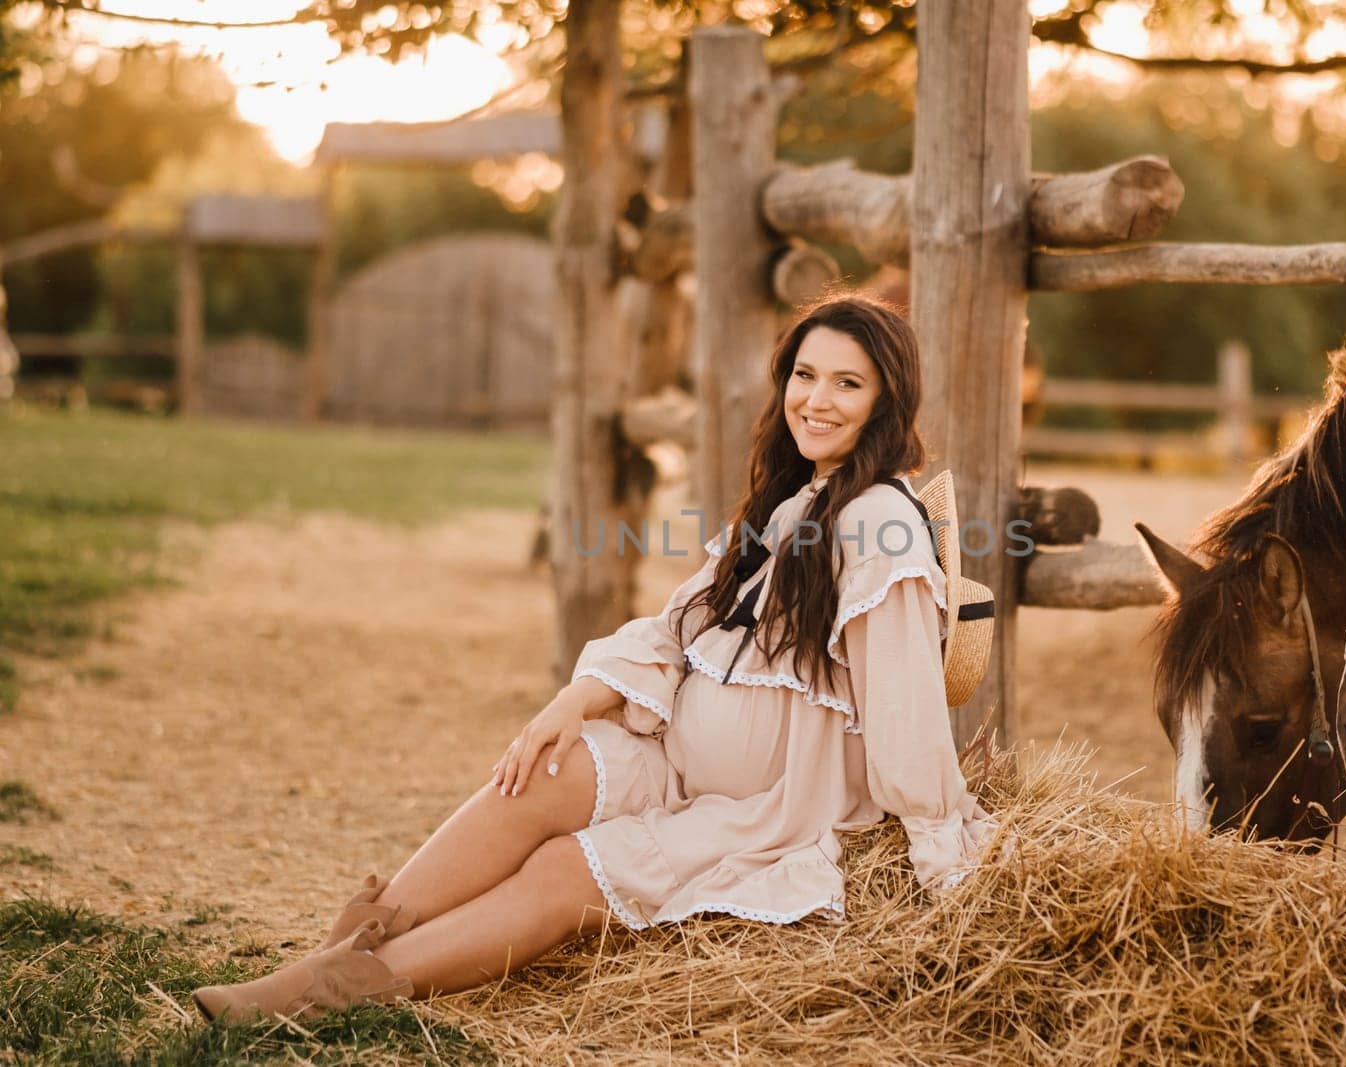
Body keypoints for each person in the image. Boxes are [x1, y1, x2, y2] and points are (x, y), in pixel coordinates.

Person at [192, 296, 996, 1023]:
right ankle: (348, 943)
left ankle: (336, 990)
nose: (815, 400)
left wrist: (941, 856)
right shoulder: (793, 500)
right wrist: (574, 701)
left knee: (566, 873)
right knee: (543, 771)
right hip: (678, 758)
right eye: (805, 374)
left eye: (846, 384)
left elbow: (902, 705)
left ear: (888, 399)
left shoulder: (878, 519)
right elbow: (681, 626)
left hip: (776, 808)